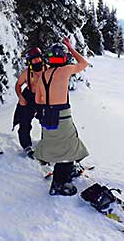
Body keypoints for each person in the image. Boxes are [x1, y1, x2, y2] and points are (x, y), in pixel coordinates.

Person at [34, 37, 89, 196]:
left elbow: (38, 99)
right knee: (68, 148)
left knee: (57, 145)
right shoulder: (65, 70)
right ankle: (59, 184)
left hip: (48, 116)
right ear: (64, 57)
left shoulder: (43, 75)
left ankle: (64, 174)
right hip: (62, 116)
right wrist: (70, 47)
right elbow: (84, 63)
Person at [13, 47, 47, 158]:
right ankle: (26, 145)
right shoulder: (26, 72)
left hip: (43, 100)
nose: (36, 61)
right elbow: (18, 85)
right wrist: (21, 97)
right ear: (30, 61)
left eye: (37, 58)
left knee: (47, 124)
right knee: (24, 122)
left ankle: (47, 144)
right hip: (29, 98)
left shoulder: (48, 70)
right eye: (33, 59)